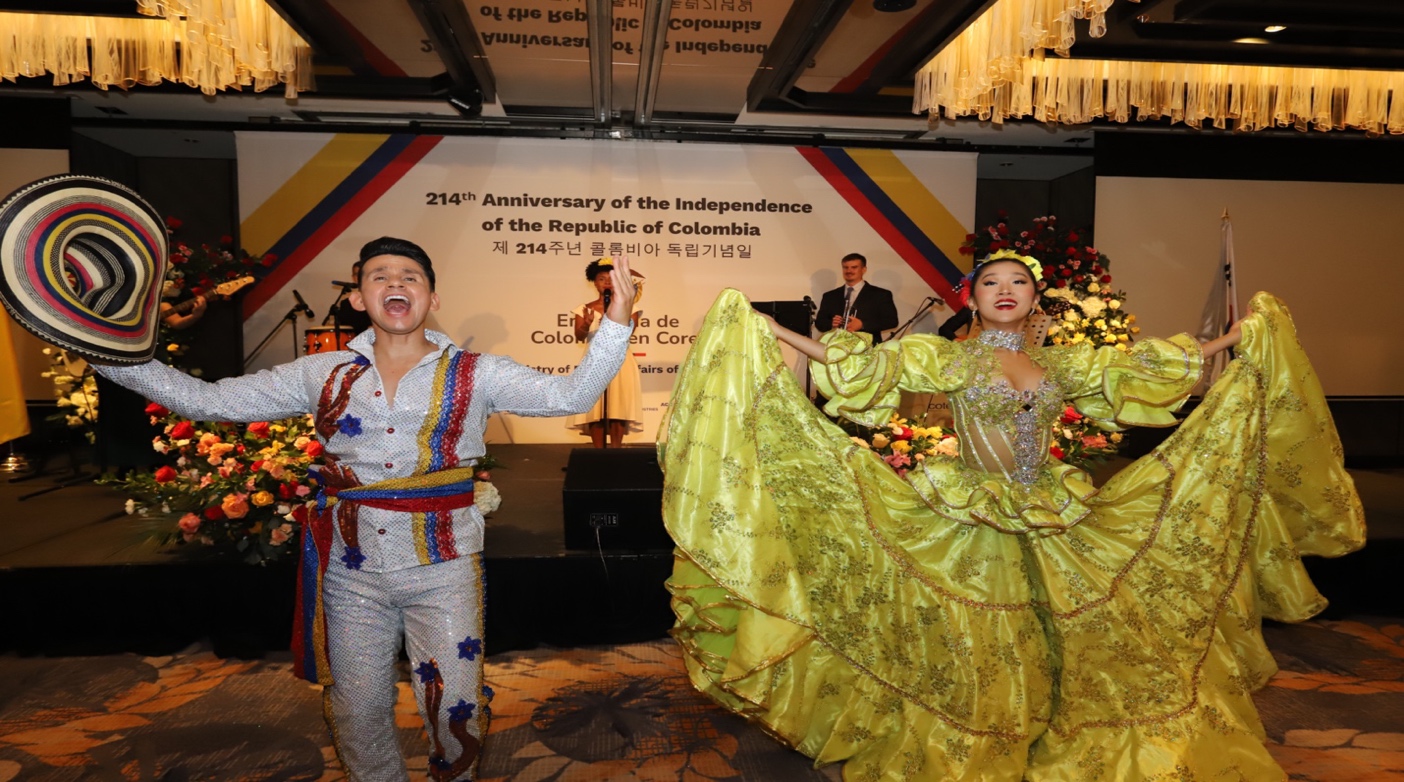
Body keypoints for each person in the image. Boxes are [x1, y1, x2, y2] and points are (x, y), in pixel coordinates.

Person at [660, 249, 1365, 780]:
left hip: (1052, 514)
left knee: (1069, 632)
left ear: (1034, 299)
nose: (1004, 293)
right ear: (974, 298)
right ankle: (975, 741)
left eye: (1018, 284)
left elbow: (1149, 372)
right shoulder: (949, 359)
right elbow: (865, 369)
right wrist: (765, 327)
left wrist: (1236, 339)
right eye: (991, 283)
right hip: (966, 517)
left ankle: (1044, 736)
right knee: (971, 639)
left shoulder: (1065, 366)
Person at [96, 237, 637, 781]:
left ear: (433, 298)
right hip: (350, 575)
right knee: (357, 710)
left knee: (455, 709)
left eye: (410, 276)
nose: (396, 284)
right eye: (380, 276)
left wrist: (616, 320)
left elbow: (571, 395)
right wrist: (106, 352)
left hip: (443, 569)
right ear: (358, 298)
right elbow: (206, 401)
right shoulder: (320, 373)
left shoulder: (478, 372)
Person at [568, 257, 644, 447]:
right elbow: (579, 336)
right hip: (593, 360)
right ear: (595, 282)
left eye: (611, 278)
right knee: (595, 409)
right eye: (602, 279)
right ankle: (598, 453)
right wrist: (585, 325)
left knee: (618, 408)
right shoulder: (584, 308)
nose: (607, 282)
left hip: (620, 360)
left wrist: (612, 321)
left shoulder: (629, 307)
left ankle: (616, 451)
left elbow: (629, 331)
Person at [814, 252, 898, 344]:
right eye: (845, 267)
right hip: (836, 348)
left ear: (864, 269)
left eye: (854, 267)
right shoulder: (829, 296)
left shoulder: (881, 294)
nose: (849, 271)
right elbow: (819, 324)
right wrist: (832, 324)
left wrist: (862, 324)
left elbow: (891, 321)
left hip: (868, 349)